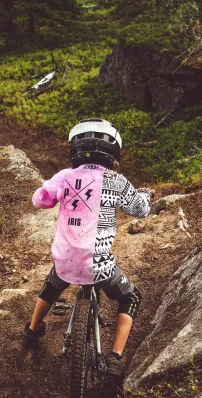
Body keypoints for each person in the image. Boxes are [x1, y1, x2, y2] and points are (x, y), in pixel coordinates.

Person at [21, 118, 154, 376]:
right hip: (99, 265)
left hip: (65, 261)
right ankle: (115, 357)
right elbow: (140, 210)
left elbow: (40, 200)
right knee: (131, 297)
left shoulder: (65, 176)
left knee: (52, 283)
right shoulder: (117, 181)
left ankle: (32, 330)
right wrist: (146, 195)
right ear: (114, 151)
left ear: (75, 149)